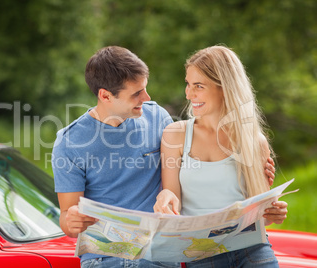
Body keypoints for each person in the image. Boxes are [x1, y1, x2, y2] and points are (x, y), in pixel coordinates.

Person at [52, 46, 280, 268]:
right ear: (105, 96)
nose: (147, 97)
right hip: (104, 257)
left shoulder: (157, 117)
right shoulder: (69, 142)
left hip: (156, 254)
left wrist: (254, 173)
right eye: (136, 93)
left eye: (145, 88)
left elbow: (188, 165)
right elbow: (67, 218)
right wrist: (71, 222)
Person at [153, 45, 288, 267]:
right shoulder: (175, 135)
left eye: (199, 86)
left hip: (252, 250)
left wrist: (273, 213)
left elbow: (262, 218)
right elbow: (172, 198)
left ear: (224, 88)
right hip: (202, 253)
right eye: (188, 84)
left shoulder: (254, 141)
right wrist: (164, 198)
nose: (189, 94)